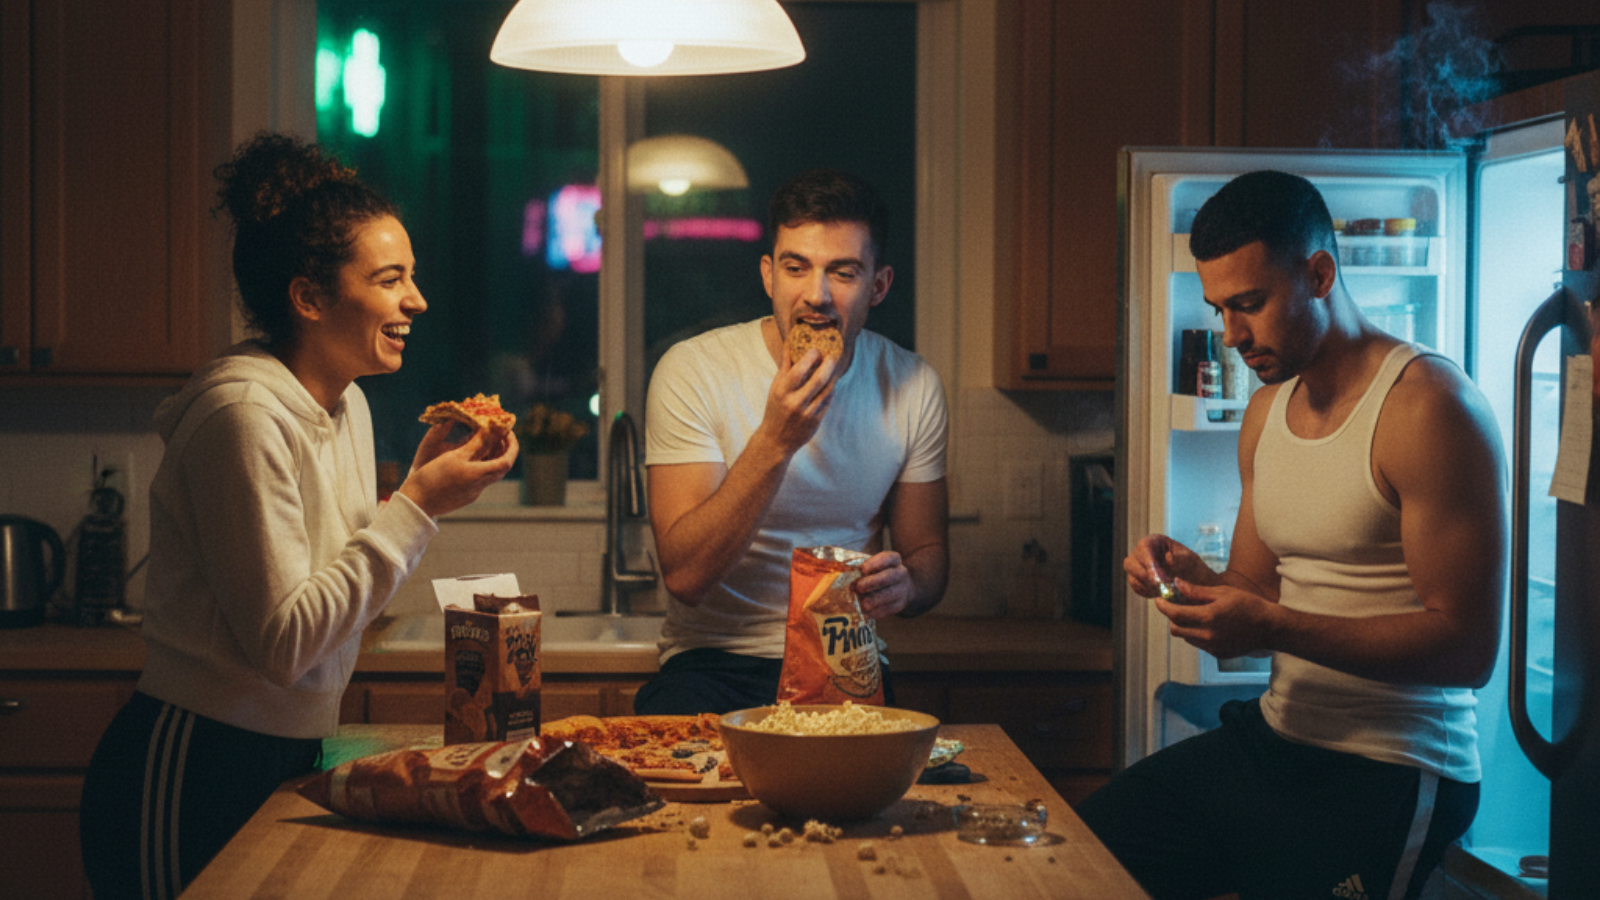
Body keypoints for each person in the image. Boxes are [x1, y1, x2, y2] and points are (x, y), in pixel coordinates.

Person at [79, 132, 517, 900]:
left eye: (411, 277)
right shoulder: (242, 415)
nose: (416, 300)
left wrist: (412, 492)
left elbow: (334, 591)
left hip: (286, 749)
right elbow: (285, 643)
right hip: (193, 760)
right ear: (309, 297)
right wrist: (415, 507)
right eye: (390, 280)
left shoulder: (346, 405)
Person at [1082, 170, 1507, 900]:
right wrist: (1190, 576)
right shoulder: (1266, 411)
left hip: (1394, 768)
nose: (1232, 335)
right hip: (1277, 742)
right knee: (1077, 860)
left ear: (1319, 274)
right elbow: (1254, 589)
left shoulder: (1427, 409)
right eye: (1220, 310)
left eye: (1249, 304)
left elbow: (1467, 650)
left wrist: (1272, 626)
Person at [634, 168, 950, 715]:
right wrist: (776, 440)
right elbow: (685, 575)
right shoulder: (693, 370)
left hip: (846, 658)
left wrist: (909, 586)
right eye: (796, 268)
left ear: (879, 285)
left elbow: (929, 555)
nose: (816, 296)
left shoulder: (912, 384)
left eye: (843, 272)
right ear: (768, 276)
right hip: (711, 664)